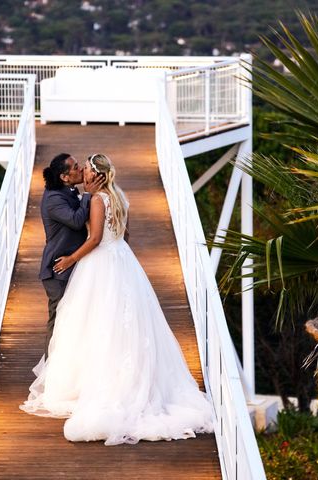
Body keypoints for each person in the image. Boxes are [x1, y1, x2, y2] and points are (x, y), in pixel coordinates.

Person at [21, 153, 215, 446]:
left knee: (97, 322)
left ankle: (98, 384)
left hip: (100, 260)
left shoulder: (98, 199)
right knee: (111, 322)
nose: (82, 172)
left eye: (84, 169)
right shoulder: (117, 196)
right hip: (121, 259)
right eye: (78, 169)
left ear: (95, 175)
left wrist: (73, 256)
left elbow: (96, 237)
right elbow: (124, 234)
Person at [39, 153, 104, 359]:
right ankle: (51, 369)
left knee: (76, 319)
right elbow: (76, 221)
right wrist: (88, 195)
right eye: (76, 167)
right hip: (59, 269)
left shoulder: (68, 190)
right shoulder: (53, 199)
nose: (82, 170)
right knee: (59, 320)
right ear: (65, 177)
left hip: (74, 265)